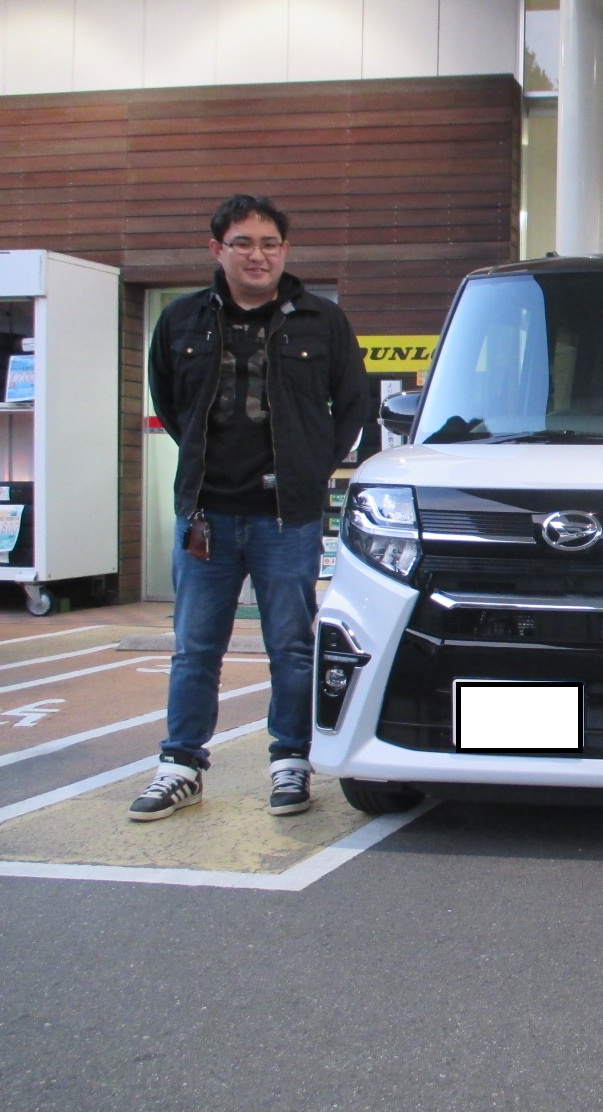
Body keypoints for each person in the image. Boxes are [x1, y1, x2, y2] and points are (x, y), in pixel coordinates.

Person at [130, 195, 369, 821]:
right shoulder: (181, 319)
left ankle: (291, 761)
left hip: (286, 517)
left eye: (268, 243)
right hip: (205, 514)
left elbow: (352, 405)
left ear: (284, 250)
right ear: (218, 249)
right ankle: (181, 765)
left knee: (291, 646)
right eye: (242, 243)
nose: (256, 255)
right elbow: (170, 403)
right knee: (194, 647)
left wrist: (310, 468)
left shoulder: (321, 320)